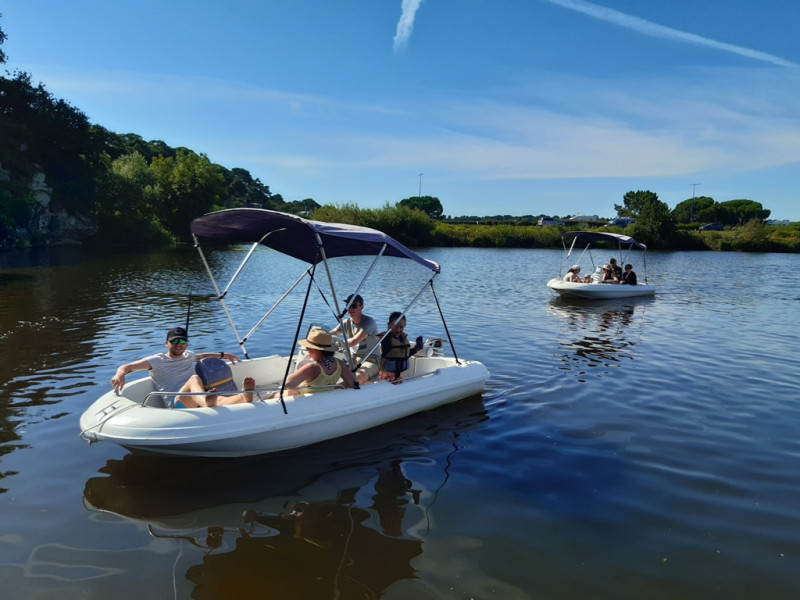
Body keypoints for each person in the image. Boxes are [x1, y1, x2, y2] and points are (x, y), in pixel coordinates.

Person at [110, 326, 255, 408]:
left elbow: (202, 356)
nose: (179, 344)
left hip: (198, 398)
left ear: (186, 344)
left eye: (182, 341)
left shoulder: (189, 355)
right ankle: (206, 402)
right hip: (177, 403)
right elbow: (127, 367)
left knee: (220, 400)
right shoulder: (156, 360)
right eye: (174, 341)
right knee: (194, 379)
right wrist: (119, 374)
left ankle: (244, 396)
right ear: (166, 343)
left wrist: (224, 354)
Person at [277, 328, 354, 395]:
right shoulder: (339, 363)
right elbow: (351, 383)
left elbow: (288, 384)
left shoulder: (312, 368)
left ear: (314, 350)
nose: (307, 352)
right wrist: (333, 388)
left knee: (274, 394)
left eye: (307, 349)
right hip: (325, 396)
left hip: (304, 398)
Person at [330, 294, 381, 384]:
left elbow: (354, 341)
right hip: (353, 360)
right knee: (328, 365)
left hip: (370, 360)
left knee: (356, 379)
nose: (350, 309)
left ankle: (335, 390)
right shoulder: (347, 322)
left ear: (362, 307)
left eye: (354, 306)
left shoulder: (369, 322)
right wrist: (319, 337)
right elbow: (333, 332)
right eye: (348, 305)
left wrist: (336, 344)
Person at [379, 312, 424, 382]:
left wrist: (415, 349)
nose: (398, 330)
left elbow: (403, 355)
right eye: (395, 326)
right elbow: (386, 350)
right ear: (389, 325)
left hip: (398, 374)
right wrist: (389, 331)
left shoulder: (402, 338)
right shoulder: (386, 338)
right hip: (387, 375)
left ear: (404, 326)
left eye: (401, 327)